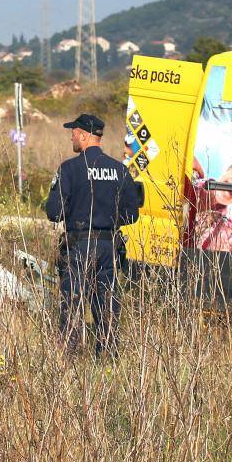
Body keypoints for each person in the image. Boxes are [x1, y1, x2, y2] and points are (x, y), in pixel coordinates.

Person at [45, 113, 142, 356]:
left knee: (72, 303)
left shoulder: (69, 169)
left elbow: (54, 212)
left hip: (78, 246)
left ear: (85, 136)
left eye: (74, 134)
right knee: (107, 304)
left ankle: (69, 358)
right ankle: (107, 357)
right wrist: (108, 221)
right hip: (109, 247)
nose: (71, 138)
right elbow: (132, 215)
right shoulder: (119, 169)